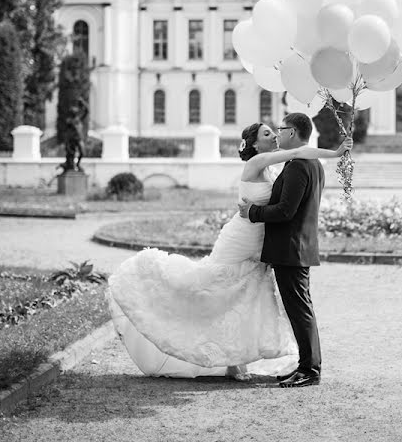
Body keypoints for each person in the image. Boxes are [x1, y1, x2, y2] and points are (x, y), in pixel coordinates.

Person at [106, 121, 351, 381]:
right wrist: (335, 153)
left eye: (276, 131)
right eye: (267, 133)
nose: (274, 136)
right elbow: (296, 152)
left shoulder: (272, 166)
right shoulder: (258, 162)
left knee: (241, 298)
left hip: (259, 238)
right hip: (242, 236)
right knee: (212, 288)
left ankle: (236, 361)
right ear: (255, 144)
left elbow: (292, 177)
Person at [238, 112, 327, 388]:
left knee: (300, 310)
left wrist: (253, 211)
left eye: (281, 128)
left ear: (292, 132)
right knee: (300, 308)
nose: (278, 133)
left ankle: (310, 370)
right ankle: (305, 366)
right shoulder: (308, 162)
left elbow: (286, 211)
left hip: (291, 248)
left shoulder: (300, 165)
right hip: (296, 247)